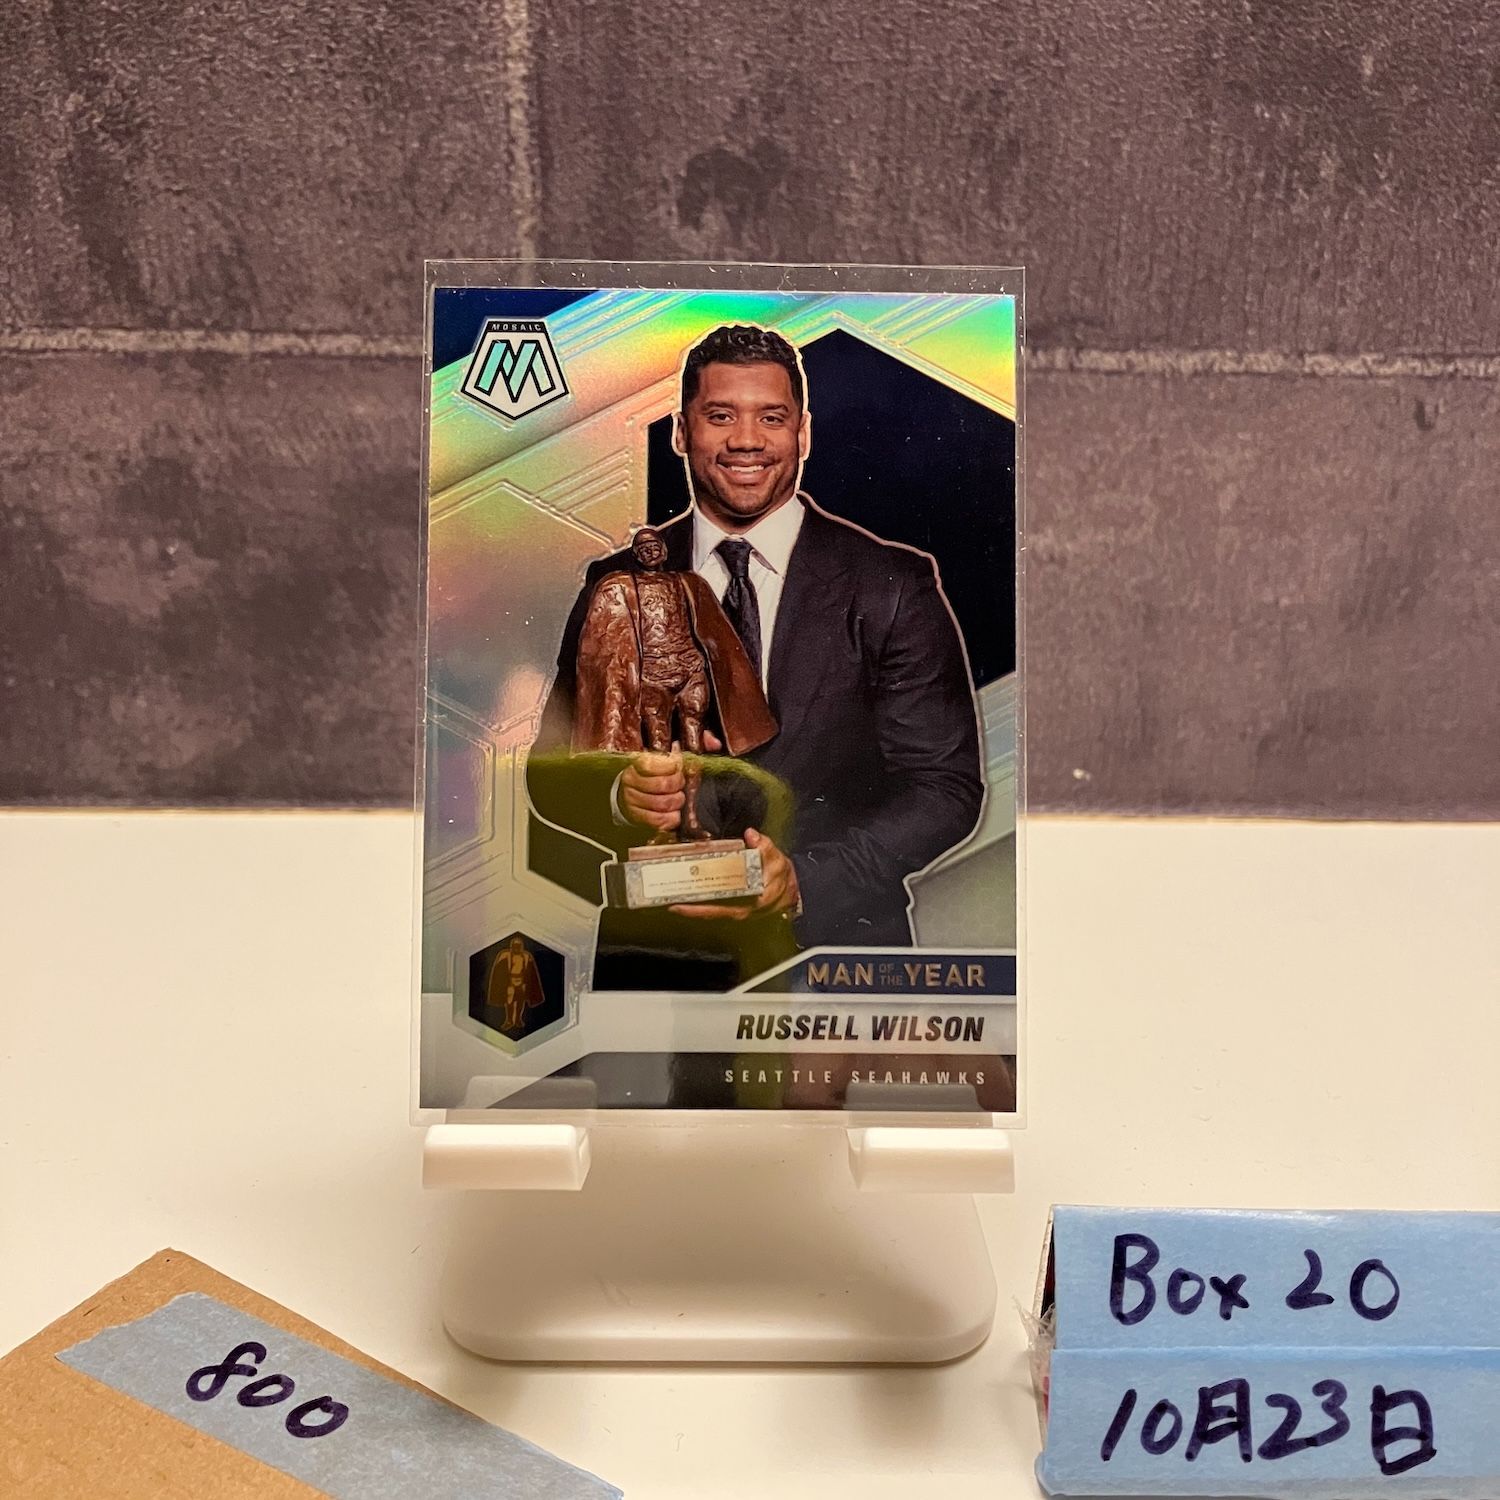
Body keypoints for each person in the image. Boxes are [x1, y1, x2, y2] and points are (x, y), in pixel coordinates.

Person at [527, 324, 983, 988]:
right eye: (720, 416)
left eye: (771, 417)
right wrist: (622, 796)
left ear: (803, 432)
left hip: (834, 960)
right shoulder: (615, 584)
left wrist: (803, 881)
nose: (746, 439)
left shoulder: (889, 584)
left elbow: (944, 789)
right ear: (681, 432)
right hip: (657, 964)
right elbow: (550, 775)